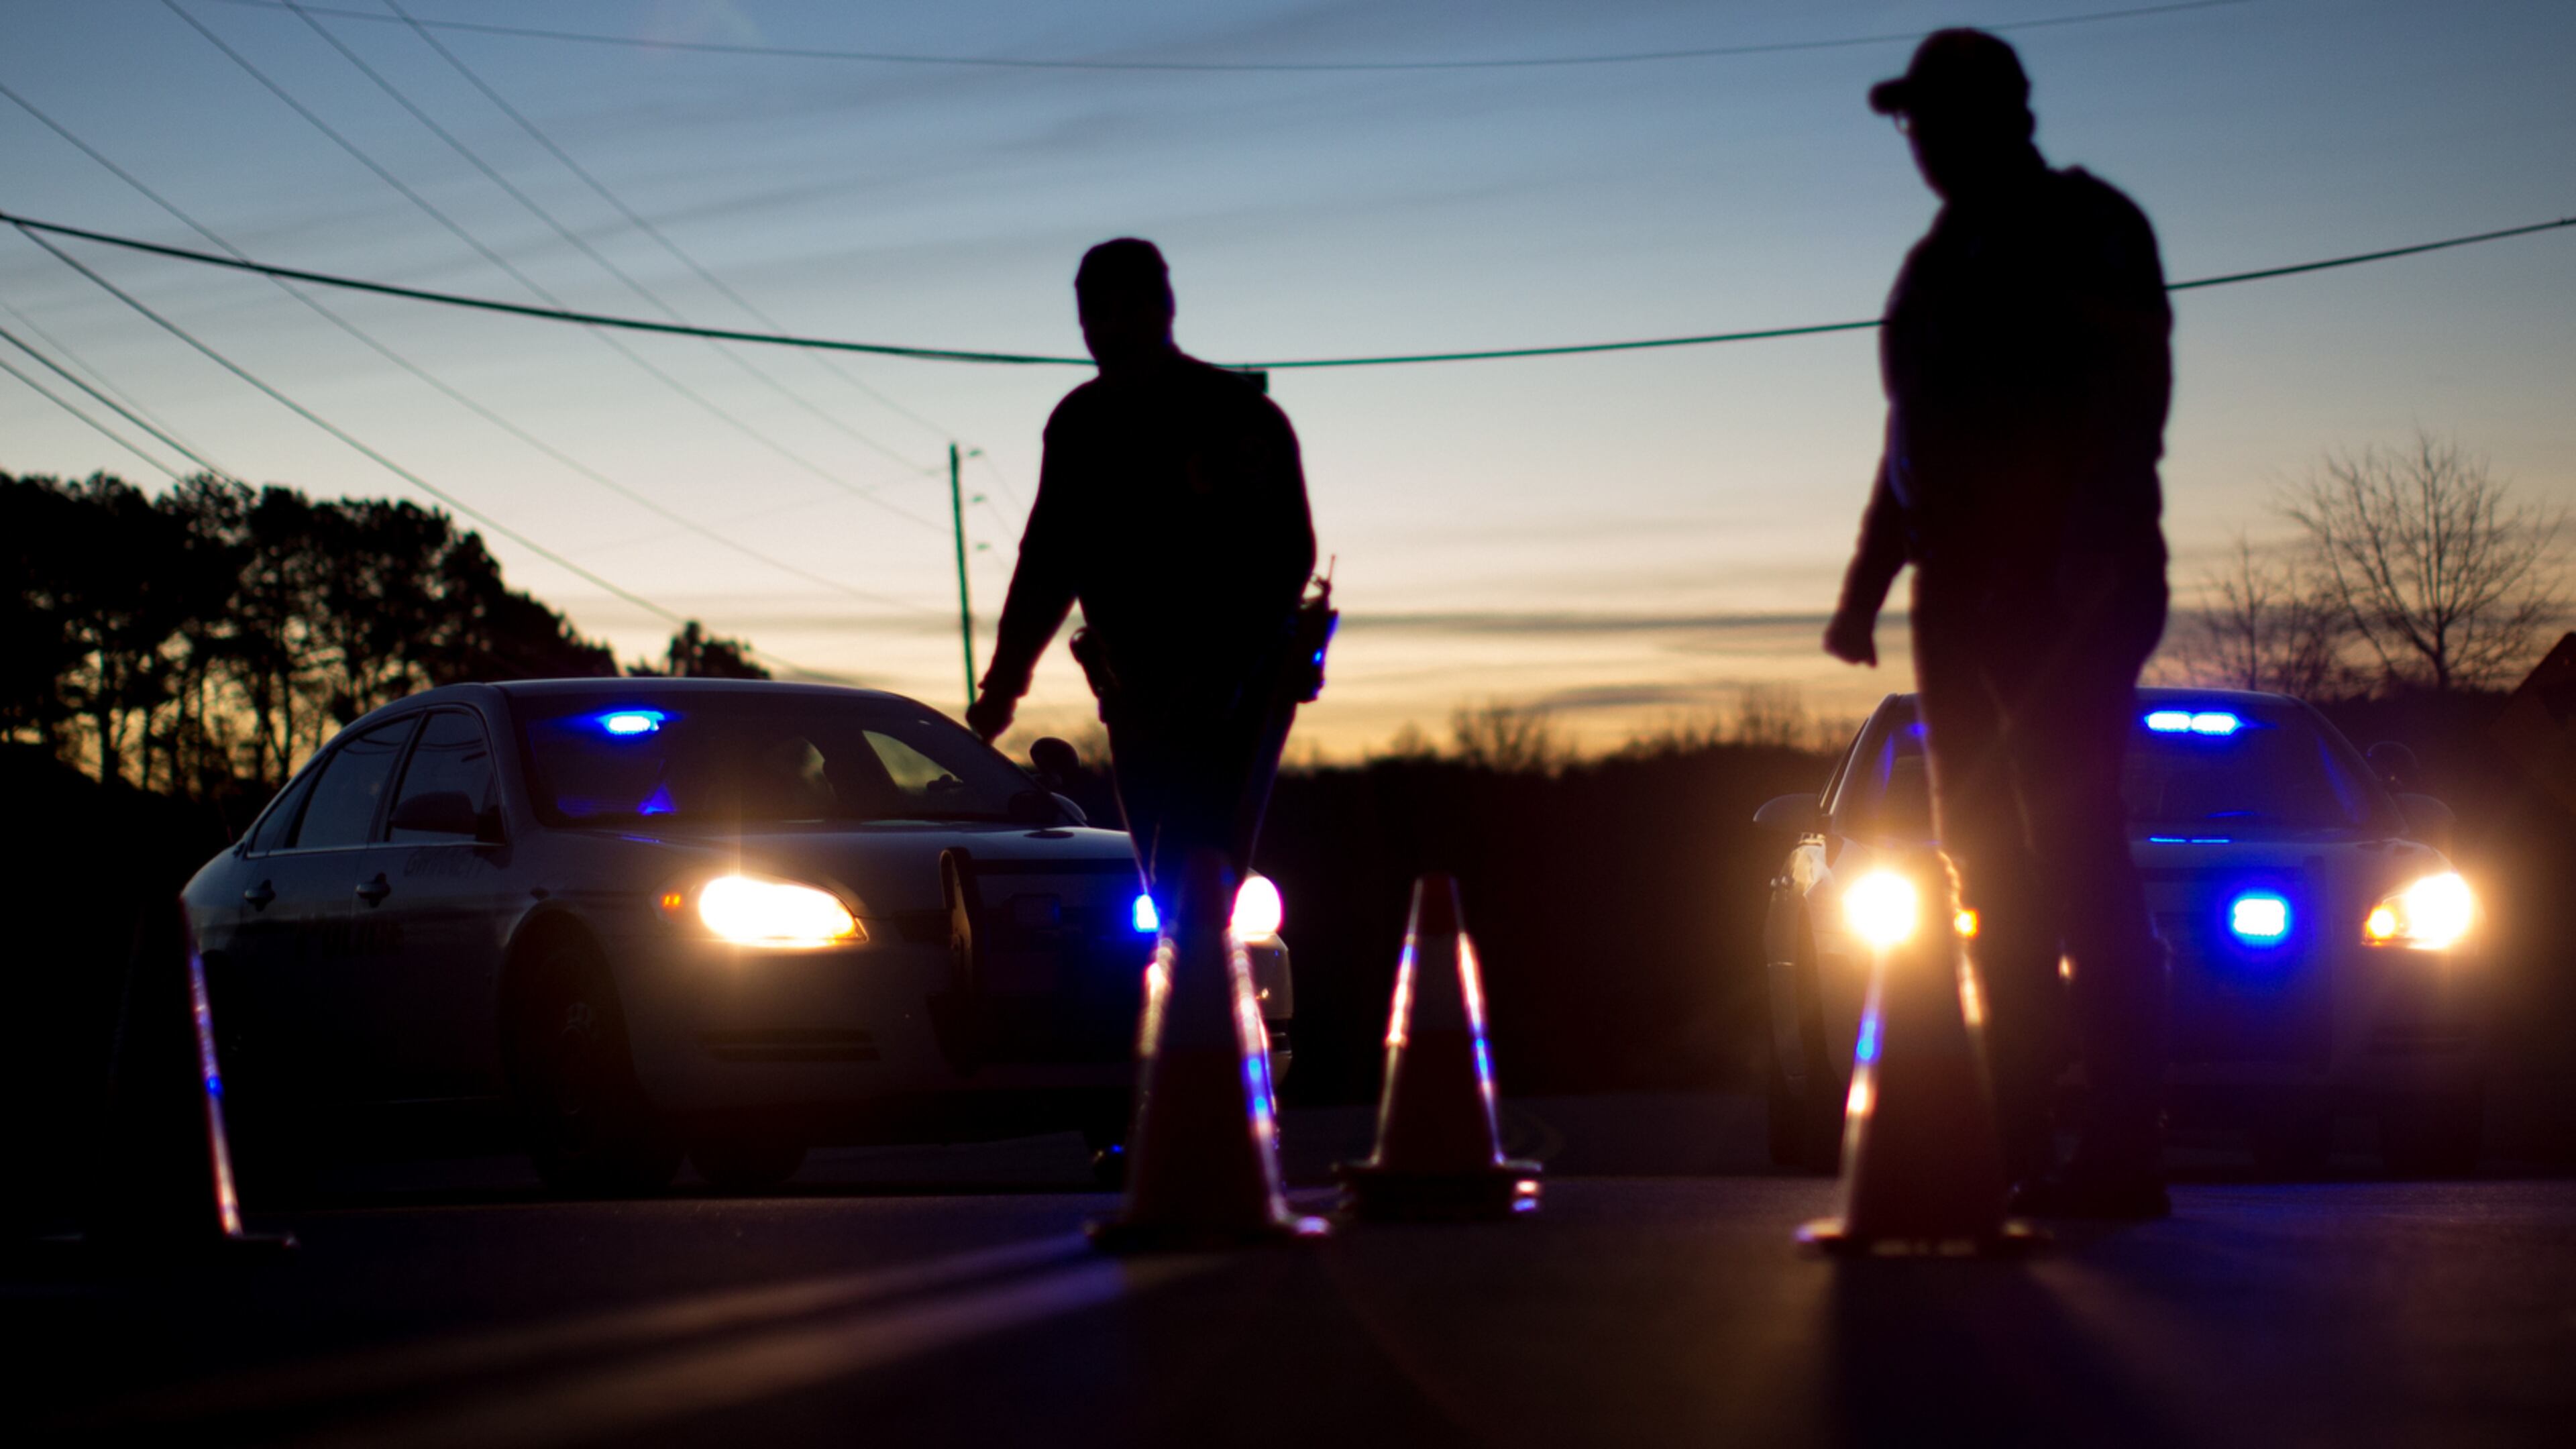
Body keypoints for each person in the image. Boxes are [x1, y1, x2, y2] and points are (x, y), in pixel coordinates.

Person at [1825, 30, 2174, 1216]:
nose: (1916, 140)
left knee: (2073, 854)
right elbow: (1909, 439)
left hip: (2067, 593)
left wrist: (2084, 555)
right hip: (1961, 600)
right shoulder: (1936, 262)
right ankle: (2015, 1128)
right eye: (1910, 122)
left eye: (1931, 117)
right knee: (1988, 870)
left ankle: (2125, 1141)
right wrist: (1869, 585)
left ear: (1996, 116)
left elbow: (2129, 400)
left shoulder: (2087, 227)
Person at [966, 239, 1318, 911]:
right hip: (1136, 692)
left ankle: (1202, 1001)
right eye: (1094, 312)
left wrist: (1226, 672)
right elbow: (1048, 561)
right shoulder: (1080, 424)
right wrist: (1004, 684)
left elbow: (1283, 554)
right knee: (1158, 864)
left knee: (1203, 864)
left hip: (1232, 696)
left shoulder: (1234, 416)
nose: (1108, 327)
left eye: (1126, 308)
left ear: (1164, 309)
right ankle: (1180, 994)